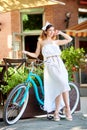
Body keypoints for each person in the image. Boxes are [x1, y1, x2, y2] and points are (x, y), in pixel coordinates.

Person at [22, 21, 73, 121]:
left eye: (53, 30)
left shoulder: (56, 41)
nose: (51, 32)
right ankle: (67, 108)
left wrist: (61, 33)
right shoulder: (41, 41)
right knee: (62, 84)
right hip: (50, 66)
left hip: (60, 64)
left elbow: (70, 39)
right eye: (49, 30)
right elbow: (36, 55)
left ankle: (58, 112)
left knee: (61, 86)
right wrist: (26, 52)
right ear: (45, 32)